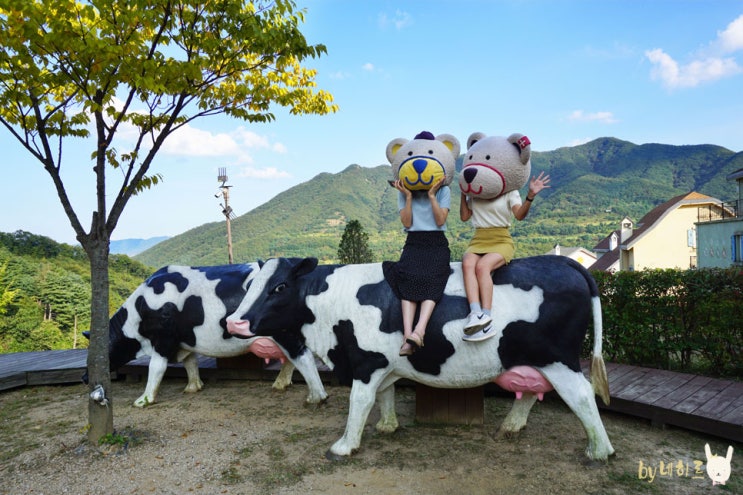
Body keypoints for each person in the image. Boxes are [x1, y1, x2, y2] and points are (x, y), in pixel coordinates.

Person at [460, 171, 551, 341]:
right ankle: (475, 313)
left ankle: (486, 319)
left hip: (501, 239)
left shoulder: (510, 191)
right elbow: (465, 217)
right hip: (478, 238)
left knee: (482, 267)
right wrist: (463, 193)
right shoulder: (477, 190)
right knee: (467, 263)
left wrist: (530, 196)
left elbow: (519, 215)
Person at [386, 174, 451, 356]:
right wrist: (407, 196)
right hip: (414, 242)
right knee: (407, 276)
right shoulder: (404, 192)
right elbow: (407, 222)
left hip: (436, 242)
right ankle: (408, 336)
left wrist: (432, 195)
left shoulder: (443, 190)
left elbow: (440, 220)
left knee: (433, 276)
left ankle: (419, 331)